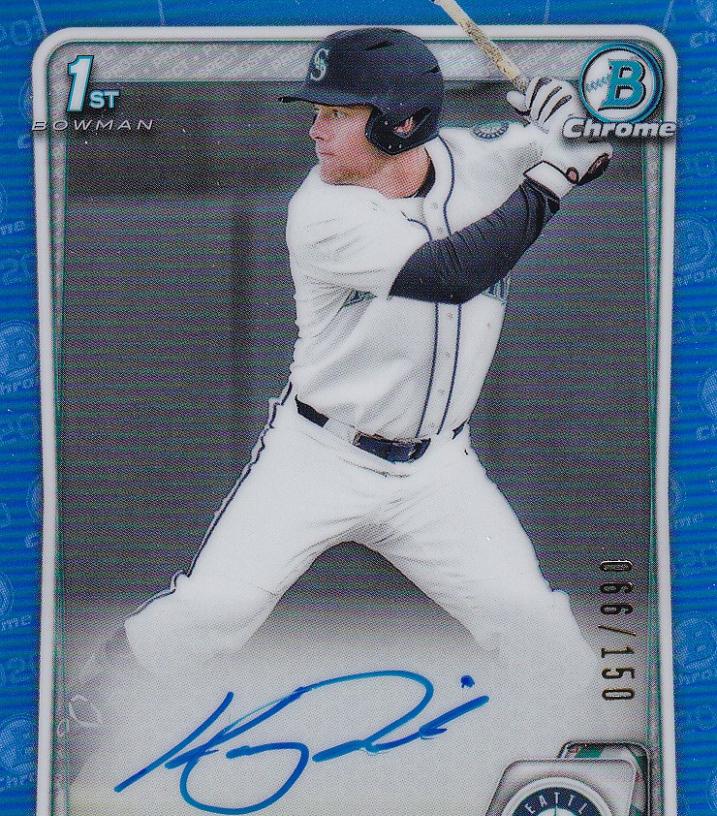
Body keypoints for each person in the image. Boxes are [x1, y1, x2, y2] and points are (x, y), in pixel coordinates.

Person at [63, 28, 611, 775]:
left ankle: (598, 789)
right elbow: (454, 271)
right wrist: (555, 174)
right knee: (212, 613)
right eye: (317, 111)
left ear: (401, 123)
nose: (314, 128)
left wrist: (576, 121)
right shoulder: (320, 212)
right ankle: (78, 724)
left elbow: (587, 143)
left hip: (437, 472)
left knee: (537, 631)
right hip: (319, 455)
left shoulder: (481, 157)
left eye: (337, 112)